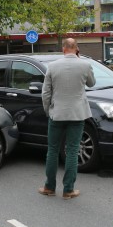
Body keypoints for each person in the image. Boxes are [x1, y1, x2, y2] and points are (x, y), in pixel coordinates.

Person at [39, 38, 95, 199]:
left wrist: (48, 110)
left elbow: (45, 93)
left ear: (63, 49)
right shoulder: (85, 64)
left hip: (57, 114)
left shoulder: (53, 66)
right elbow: (92, 83)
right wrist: (80, 59)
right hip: (77, 115)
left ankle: (49, 187)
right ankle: (68, 189)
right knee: (72, 150)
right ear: (76, 49)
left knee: (52, 150)